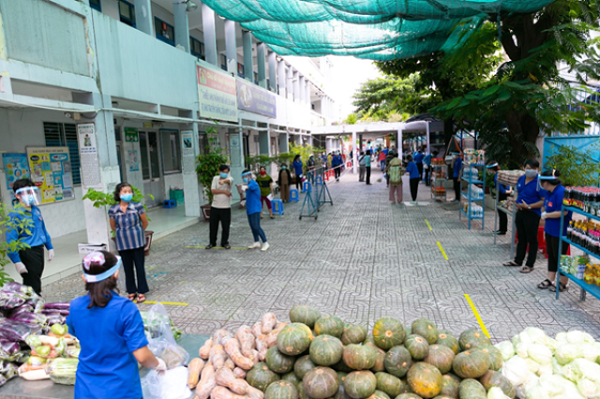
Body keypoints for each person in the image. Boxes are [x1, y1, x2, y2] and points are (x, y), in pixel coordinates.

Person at [67, 251, 166, 399]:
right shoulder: (125, 308)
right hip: (121, 390)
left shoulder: (75, 306)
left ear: (84, 278)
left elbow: (75, 332)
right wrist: (158, 363)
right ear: (116, 274)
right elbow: (142, 356)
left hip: (86, 390)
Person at [7, 179, 54, 295]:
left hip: (39, 249)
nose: (31, 194)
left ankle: (31, 304)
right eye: (27, 192)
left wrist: (50, 247)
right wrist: (16, 261)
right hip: (27, 251)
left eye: (32, 191)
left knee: (36, 277)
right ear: (17, 195)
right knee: (32, 283)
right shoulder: (15, 215)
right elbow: (10, 241)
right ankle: (33, 306)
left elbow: (43, 230)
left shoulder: (35, 210)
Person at [108, 182, 149, 303]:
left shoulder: (137, 207)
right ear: (119, 193)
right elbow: (113, 226)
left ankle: (141, 291)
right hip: (122, 243)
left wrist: (136, 232)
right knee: (127, 267)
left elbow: (145, 223)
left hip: (137, 241)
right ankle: (131, 290)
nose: (127, 194)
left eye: (129, 191)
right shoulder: (113, 210)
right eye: (124, 192)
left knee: (139, 266)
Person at [503, 159, 545, 273]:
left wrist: (530, 206)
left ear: (537, 169)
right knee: (521, 237)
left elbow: (543, 200)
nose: (529, 170)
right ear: (524, 168)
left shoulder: (539, 182)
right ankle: (518, 260)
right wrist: (515, 199)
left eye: (532, 168)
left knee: (532, 239)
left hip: (532, 212)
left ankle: (530, 264)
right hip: (520, 211)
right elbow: (517, 191)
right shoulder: (521, 178)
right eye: (527, 168)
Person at [537, 169, 571, 292]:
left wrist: (546, 215)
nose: (541, 184)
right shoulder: (549, 193)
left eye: (541, 182)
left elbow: (564, 212)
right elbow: (546, 206)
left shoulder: (561, 192)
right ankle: (550, 279)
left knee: (560, 256)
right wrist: (544, 213)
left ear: (546, 182)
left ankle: (563, 282)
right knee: (551, 254)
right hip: (550, 229)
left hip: (561, 230)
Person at [206, 165, 233, 250]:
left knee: (225, 226)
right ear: (219, 171)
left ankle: (224, 242)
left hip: (226, 207)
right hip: (215, 206)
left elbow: (229, 181)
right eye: (223, 172)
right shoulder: (215, 178)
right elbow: (213, 190)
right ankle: (212, 242)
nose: (225, 174)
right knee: (213, 226)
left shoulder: (230, 178)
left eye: (226, 172)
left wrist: (224, 181)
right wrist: (224, 191)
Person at [241, 170, 269, 251]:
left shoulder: (253, 183)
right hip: (250, 208)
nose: (244, 178)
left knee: (256, 226)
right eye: (243, 177)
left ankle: (265, 242)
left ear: (249, 176)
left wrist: (245, 187)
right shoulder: (249, 184)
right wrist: (245, 201)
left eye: (245, 176)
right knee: (252, 226)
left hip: (255, 208)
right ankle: (256, 241)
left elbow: (249, 187)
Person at [488, 163, 513, 236]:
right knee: (503, 213)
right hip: (505, 195)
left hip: (501, 195)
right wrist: (510, 190)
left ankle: (502, 230)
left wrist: (508, 191)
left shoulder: (497, 177)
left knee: (502, 213)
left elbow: (502, 190)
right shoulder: (502, 174)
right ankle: (503, 229)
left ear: (491, 169)